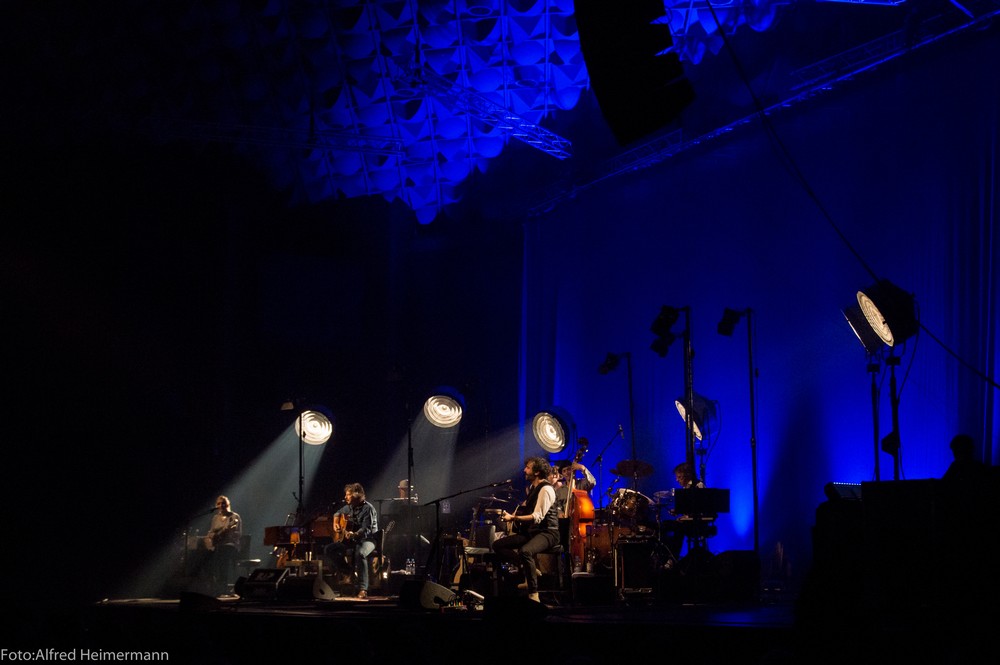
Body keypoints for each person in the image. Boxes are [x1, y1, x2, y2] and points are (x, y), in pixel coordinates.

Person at [493, 457, 560, 602]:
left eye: (528, 468)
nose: (524, 470)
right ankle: (528, 569)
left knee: (525, 551)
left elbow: (537, 517)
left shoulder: (546, 489)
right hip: (534, 532)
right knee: (498, 545)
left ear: (537, 472)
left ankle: (533, 593)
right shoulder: (533, 488)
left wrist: (514, 518)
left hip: (548, 532)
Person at [325, 482, 379, 599]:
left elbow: (366, 529)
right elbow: (337, 513)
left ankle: (363, 589)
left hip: (368, 540)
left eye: (348, 495)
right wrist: (335, 523)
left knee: (360, 553)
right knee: (329, 549)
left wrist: (354, 534)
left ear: (357, 495)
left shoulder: (368, 509)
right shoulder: (348, 507)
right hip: (352, 540)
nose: (345, 497)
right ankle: (348, 572)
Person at [204, 495, 242, 595]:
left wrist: (228, 533)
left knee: (224, 551)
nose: (221, 505)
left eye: (223, 503)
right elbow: (211, 532)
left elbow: (238, 534)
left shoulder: (235, 517)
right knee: (207, 556)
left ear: (227, 504)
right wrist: (213, 536)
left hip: (230, 545)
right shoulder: (215, 518)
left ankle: (223, 586)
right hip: (217, 545)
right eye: (219, 503)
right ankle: (213, 585)